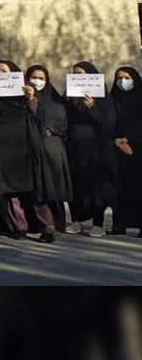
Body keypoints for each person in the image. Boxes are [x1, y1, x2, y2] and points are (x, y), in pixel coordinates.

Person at [0, 59, 54, 242]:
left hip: (27, 146)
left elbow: (40, 117)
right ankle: (19, 227)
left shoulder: (25, 93)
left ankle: (47, 228)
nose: (1, 75)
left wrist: (31, 98)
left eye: (4, 71)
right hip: (4, 148)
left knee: (35, 189)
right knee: (10, 191)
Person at [64, 62, 115, 237]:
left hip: (96, 149)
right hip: (74, 148)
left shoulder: (103, 98)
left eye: (81, 74)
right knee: (76, 185)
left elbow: (108, 123)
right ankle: (76, 220)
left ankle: (98, 223)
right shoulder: (69, 96)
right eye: (75, 74)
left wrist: (93, 108)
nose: (77, 77)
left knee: (96, 187)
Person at [25, 64, 72, 233]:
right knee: (36, 188)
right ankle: (38, 224)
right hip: (30, 147)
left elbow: (63, 123)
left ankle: (57, 223)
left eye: (41, 78)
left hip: (52, 148)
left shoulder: (56, 100)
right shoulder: (21, 99)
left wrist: (51, 130)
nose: (37, 81)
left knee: (53, 187)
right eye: (33, 77)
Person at [110, 66, 142, 237]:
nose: (123, 81)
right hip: (116, 149)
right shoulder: (111, 99)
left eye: (127, 78)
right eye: (119, 78)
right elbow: (106, 121)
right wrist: (116, 140)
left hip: (138, 148)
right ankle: (119, 224)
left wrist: (129, 139)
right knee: (119, 188)